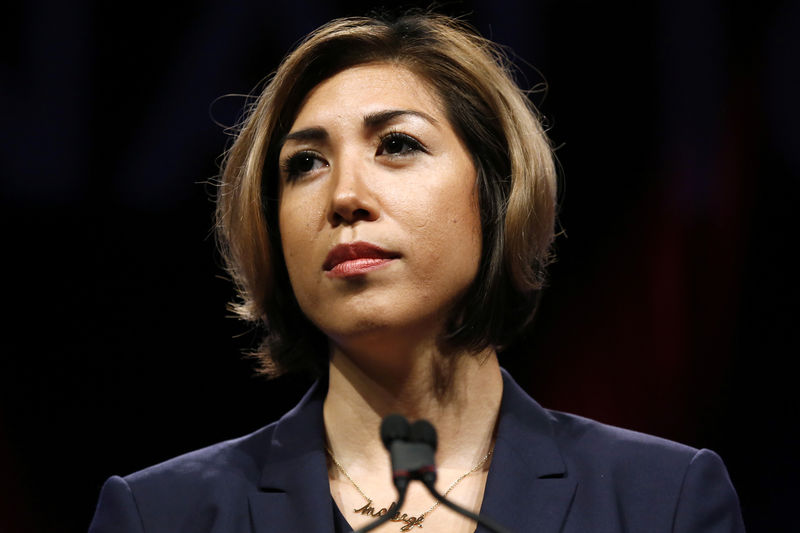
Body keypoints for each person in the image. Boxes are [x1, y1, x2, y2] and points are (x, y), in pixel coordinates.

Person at [89, 12, 745, 533]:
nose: (345, 194)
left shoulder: (665, 501)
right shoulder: (161, 514)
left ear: (494, 194)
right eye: (304, 164)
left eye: (396, 144)